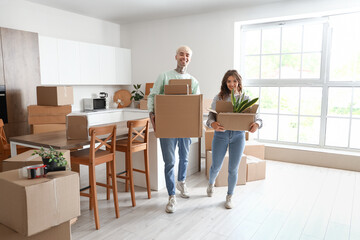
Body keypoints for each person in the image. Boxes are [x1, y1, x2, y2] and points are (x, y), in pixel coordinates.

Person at [147, 46, 200, 213]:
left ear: (190, 59)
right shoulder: (164, 76)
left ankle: (181, 182)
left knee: (184, 157)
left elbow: (196, 104)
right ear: (176, 56)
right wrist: (152, 115)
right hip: (168, 126)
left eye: (187, 55)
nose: (184, 57)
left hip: (185, 126)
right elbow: (153, 96)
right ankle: (171, 196)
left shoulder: (193, 81)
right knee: (170, 162)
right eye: (181, 54)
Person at [206, 69, 262, 209]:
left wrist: (257, 124)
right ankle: (211, 183)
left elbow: (258, 117)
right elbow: (211, 117)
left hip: (238, 136)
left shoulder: (245, 99)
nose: (232, 84)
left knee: (233, 169)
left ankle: (229, 196)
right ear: (225, 82)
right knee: (215, 166)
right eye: (229, 81)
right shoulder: (219, 98)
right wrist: (213, 124)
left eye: (235, 81)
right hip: (221, 136)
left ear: (239, 82)